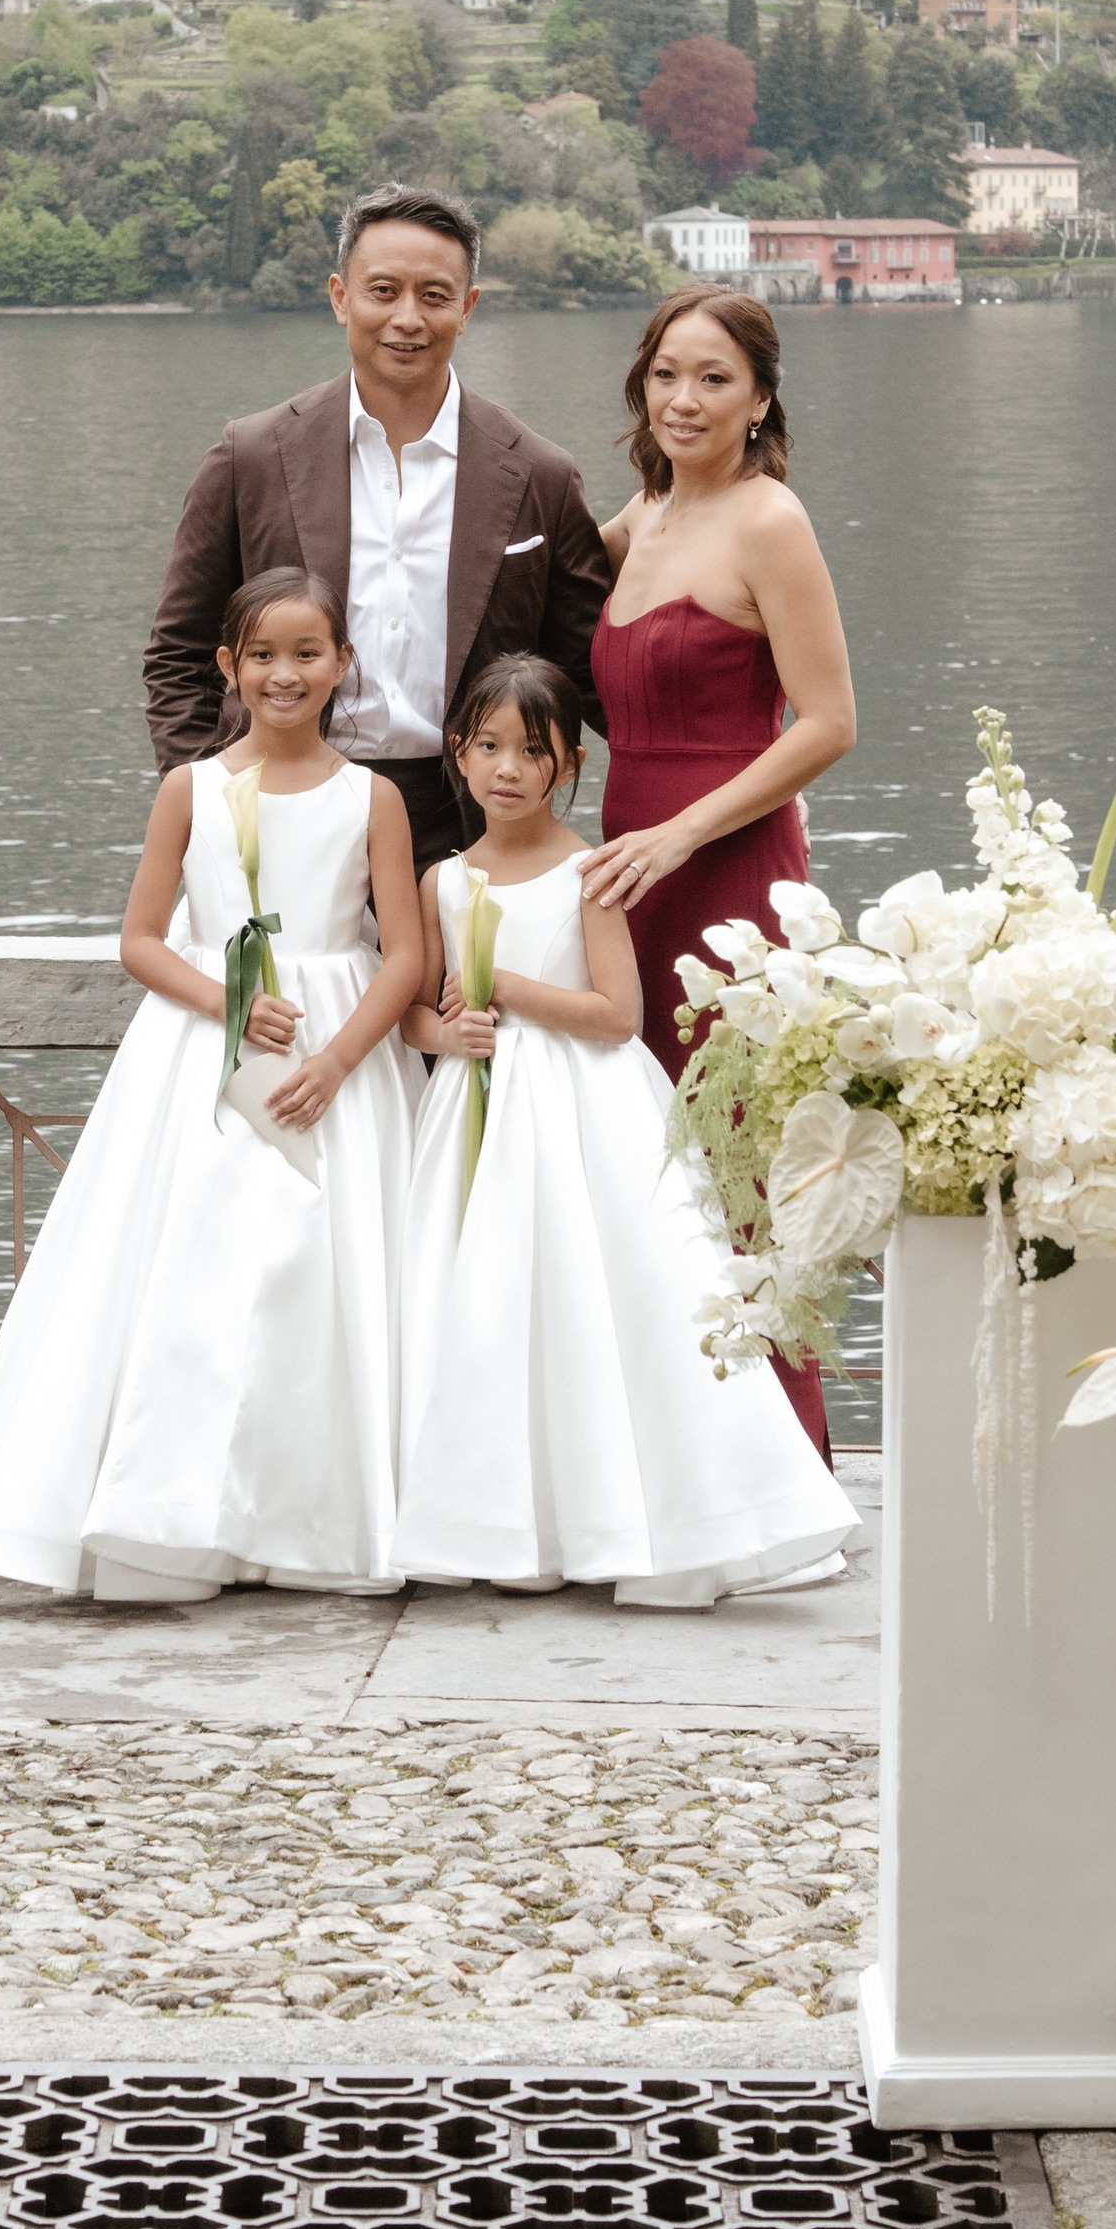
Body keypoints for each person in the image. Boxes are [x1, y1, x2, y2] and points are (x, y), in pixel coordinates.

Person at [0, 569, 422, 1601]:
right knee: (201, 1275)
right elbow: (140, 940)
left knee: (330, 1278)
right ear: (228, 666)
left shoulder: (376, 797)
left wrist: (333, 1059)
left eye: (307, 653)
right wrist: (230, 1004)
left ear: (343, 664)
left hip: (338, 1055)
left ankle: (318, 1516)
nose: (285, 674)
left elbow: (401, 953)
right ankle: (176, 1511)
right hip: (202, 1055)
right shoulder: (191, 788)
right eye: (262, 655)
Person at [395, 654, 857, 1605]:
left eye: (534, 751)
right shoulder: (442, 879)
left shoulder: (589, 873)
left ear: (569, 766)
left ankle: (628, 1511)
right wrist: (453, 1028)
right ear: (458, 755)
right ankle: (496, 1518)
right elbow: (417, 1019)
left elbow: (616, 1013)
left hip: (580, 1111)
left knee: (592, 1295)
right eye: (488, 748)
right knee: (485, 1303)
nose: (508, 770)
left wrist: (507, 990)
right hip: (477, 1111)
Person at [144, 182, 614, 872]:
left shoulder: (540, 473)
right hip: (279, 802)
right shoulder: (251, 456)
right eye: (383, 291)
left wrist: (713, 795)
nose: (407, 318)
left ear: (468, 308)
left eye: (434, 295)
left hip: (469, 818)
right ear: (340, 297)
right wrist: (212, 803)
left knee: (462, 988)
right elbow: (179, 655)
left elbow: (591, 674)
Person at [582, 289, 857, 1459]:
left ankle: (780, 1465)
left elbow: (830, 722)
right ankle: (661, 1454)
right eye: (665, 376)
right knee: (633, 1158)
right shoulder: (634, 519)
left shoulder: (768, 521)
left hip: (723, 865)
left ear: (758, 399)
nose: (684, 400)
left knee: (737, 1159)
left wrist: (685, 834)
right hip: (618, 864)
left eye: (713, 380)